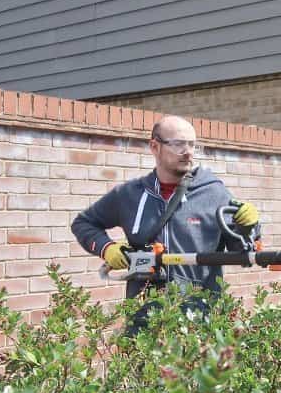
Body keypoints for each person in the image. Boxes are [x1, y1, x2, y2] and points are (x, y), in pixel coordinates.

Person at [71, 115, 260, 335]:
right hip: (144, 325)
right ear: (155, 146)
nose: (188, 151)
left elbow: (243, 253)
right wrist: (107, 248)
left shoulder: (214, 193)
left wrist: (248, 227)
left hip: (199, 322)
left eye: (192, 144)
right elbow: (84, 223)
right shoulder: (130, 195)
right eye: (179, 144)